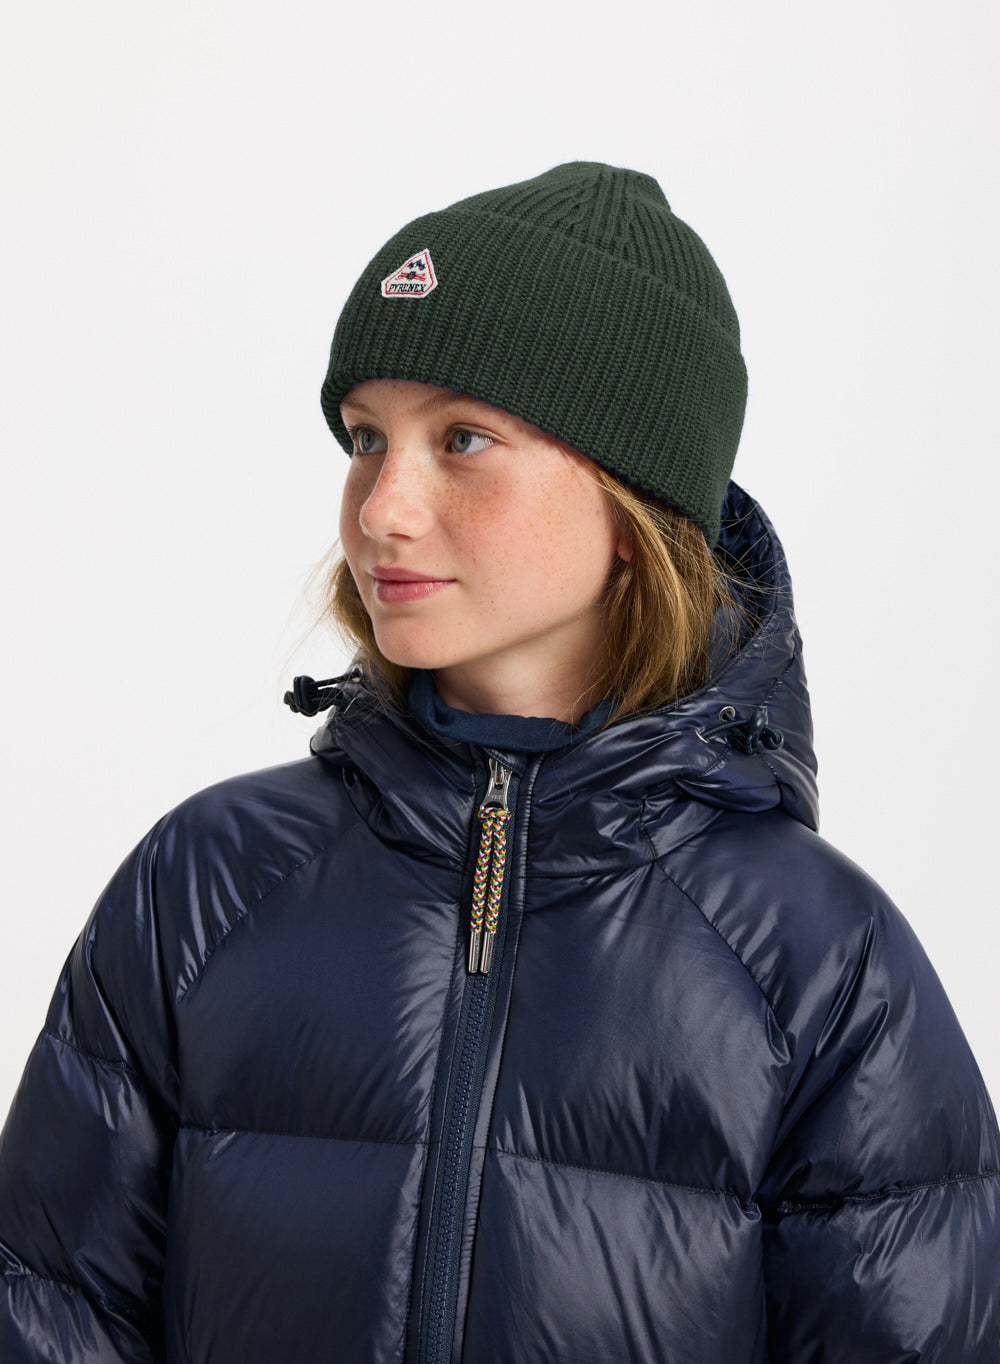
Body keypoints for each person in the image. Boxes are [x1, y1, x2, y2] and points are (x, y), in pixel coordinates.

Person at [0, 161, 997, 1363]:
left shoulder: (816, 955)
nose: (382, 509)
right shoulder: (207, 883)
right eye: (367, 439)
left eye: (463, 438)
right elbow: (48, 1309)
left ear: (631, 506)